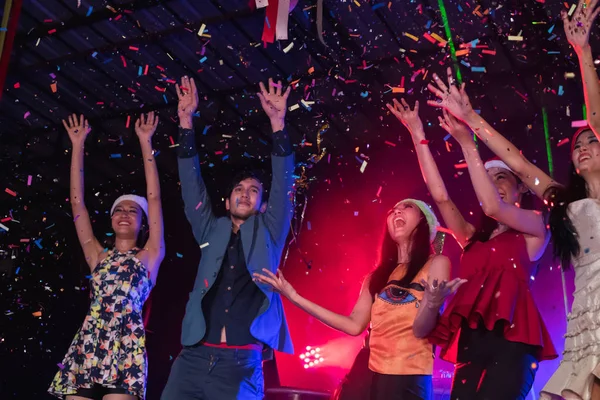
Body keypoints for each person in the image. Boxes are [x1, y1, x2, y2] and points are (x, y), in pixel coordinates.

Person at [428, 1, 600, 397]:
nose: (584, 147)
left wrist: (583, 51)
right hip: (586, 315)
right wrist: (472, 121)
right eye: (577, 147)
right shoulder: (563, 206)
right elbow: (518, 163)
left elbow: (596, 118)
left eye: (592, 140)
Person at [386, 91, 556, 399]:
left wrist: (468, 142)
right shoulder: (471, 238)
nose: (495, 185)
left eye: (502, 177)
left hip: (514, 341)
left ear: (519, 187)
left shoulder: (534, 226)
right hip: (471, 340)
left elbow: (493, 207)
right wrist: (418, 134)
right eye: (489, 180)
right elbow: (440, 197)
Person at [160, 76, 294, 400]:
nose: (245, 195)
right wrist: (185, 122)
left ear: (262, 204)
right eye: (238, 189)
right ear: (226, 201)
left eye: (253, 192)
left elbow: (283, 186)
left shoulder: (270, 232)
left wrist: (278, 124)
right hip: (191, 358)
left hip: (241, 363)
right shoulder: (211, 230)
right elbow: (191, 185)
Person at [254, 198, 464, 400]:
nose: (396, 211)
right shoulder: (376, 277)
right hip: (366, 376)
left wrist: (433, 304)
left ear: (423, 221)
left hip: (408, 377)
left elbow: (420, 330)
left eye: (407, 207)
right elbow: (353, 326)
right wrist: (294, 297)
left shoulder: (436, 263)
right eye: (393, 210)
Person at [48, 112, 166, 400]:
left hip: (127, 345)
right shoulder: (96, 254)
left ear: (144, 222)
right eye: (118, 210)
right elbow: (78, 202)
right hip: (89, 342)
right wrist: (77, 145)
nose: (124, 214)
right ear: (112, 219)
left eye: (132, 211)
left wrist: (145, 141)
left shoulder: (151, 254)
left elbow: (154, 199)